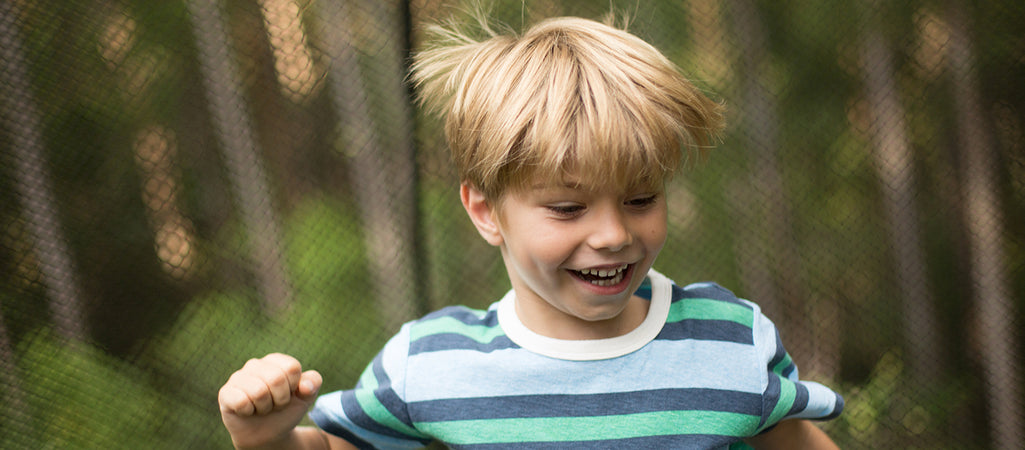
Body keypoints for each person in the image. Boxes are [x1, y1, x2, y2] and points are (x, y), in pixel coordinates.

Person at [217, 13, 844, 449]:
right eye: (567, 209)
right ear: (486, 212)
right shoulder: (432, 364)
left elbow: (793, 439)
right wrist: (264, 435)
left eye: (640, 198)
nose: (612, 234)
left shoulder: (729, 340)